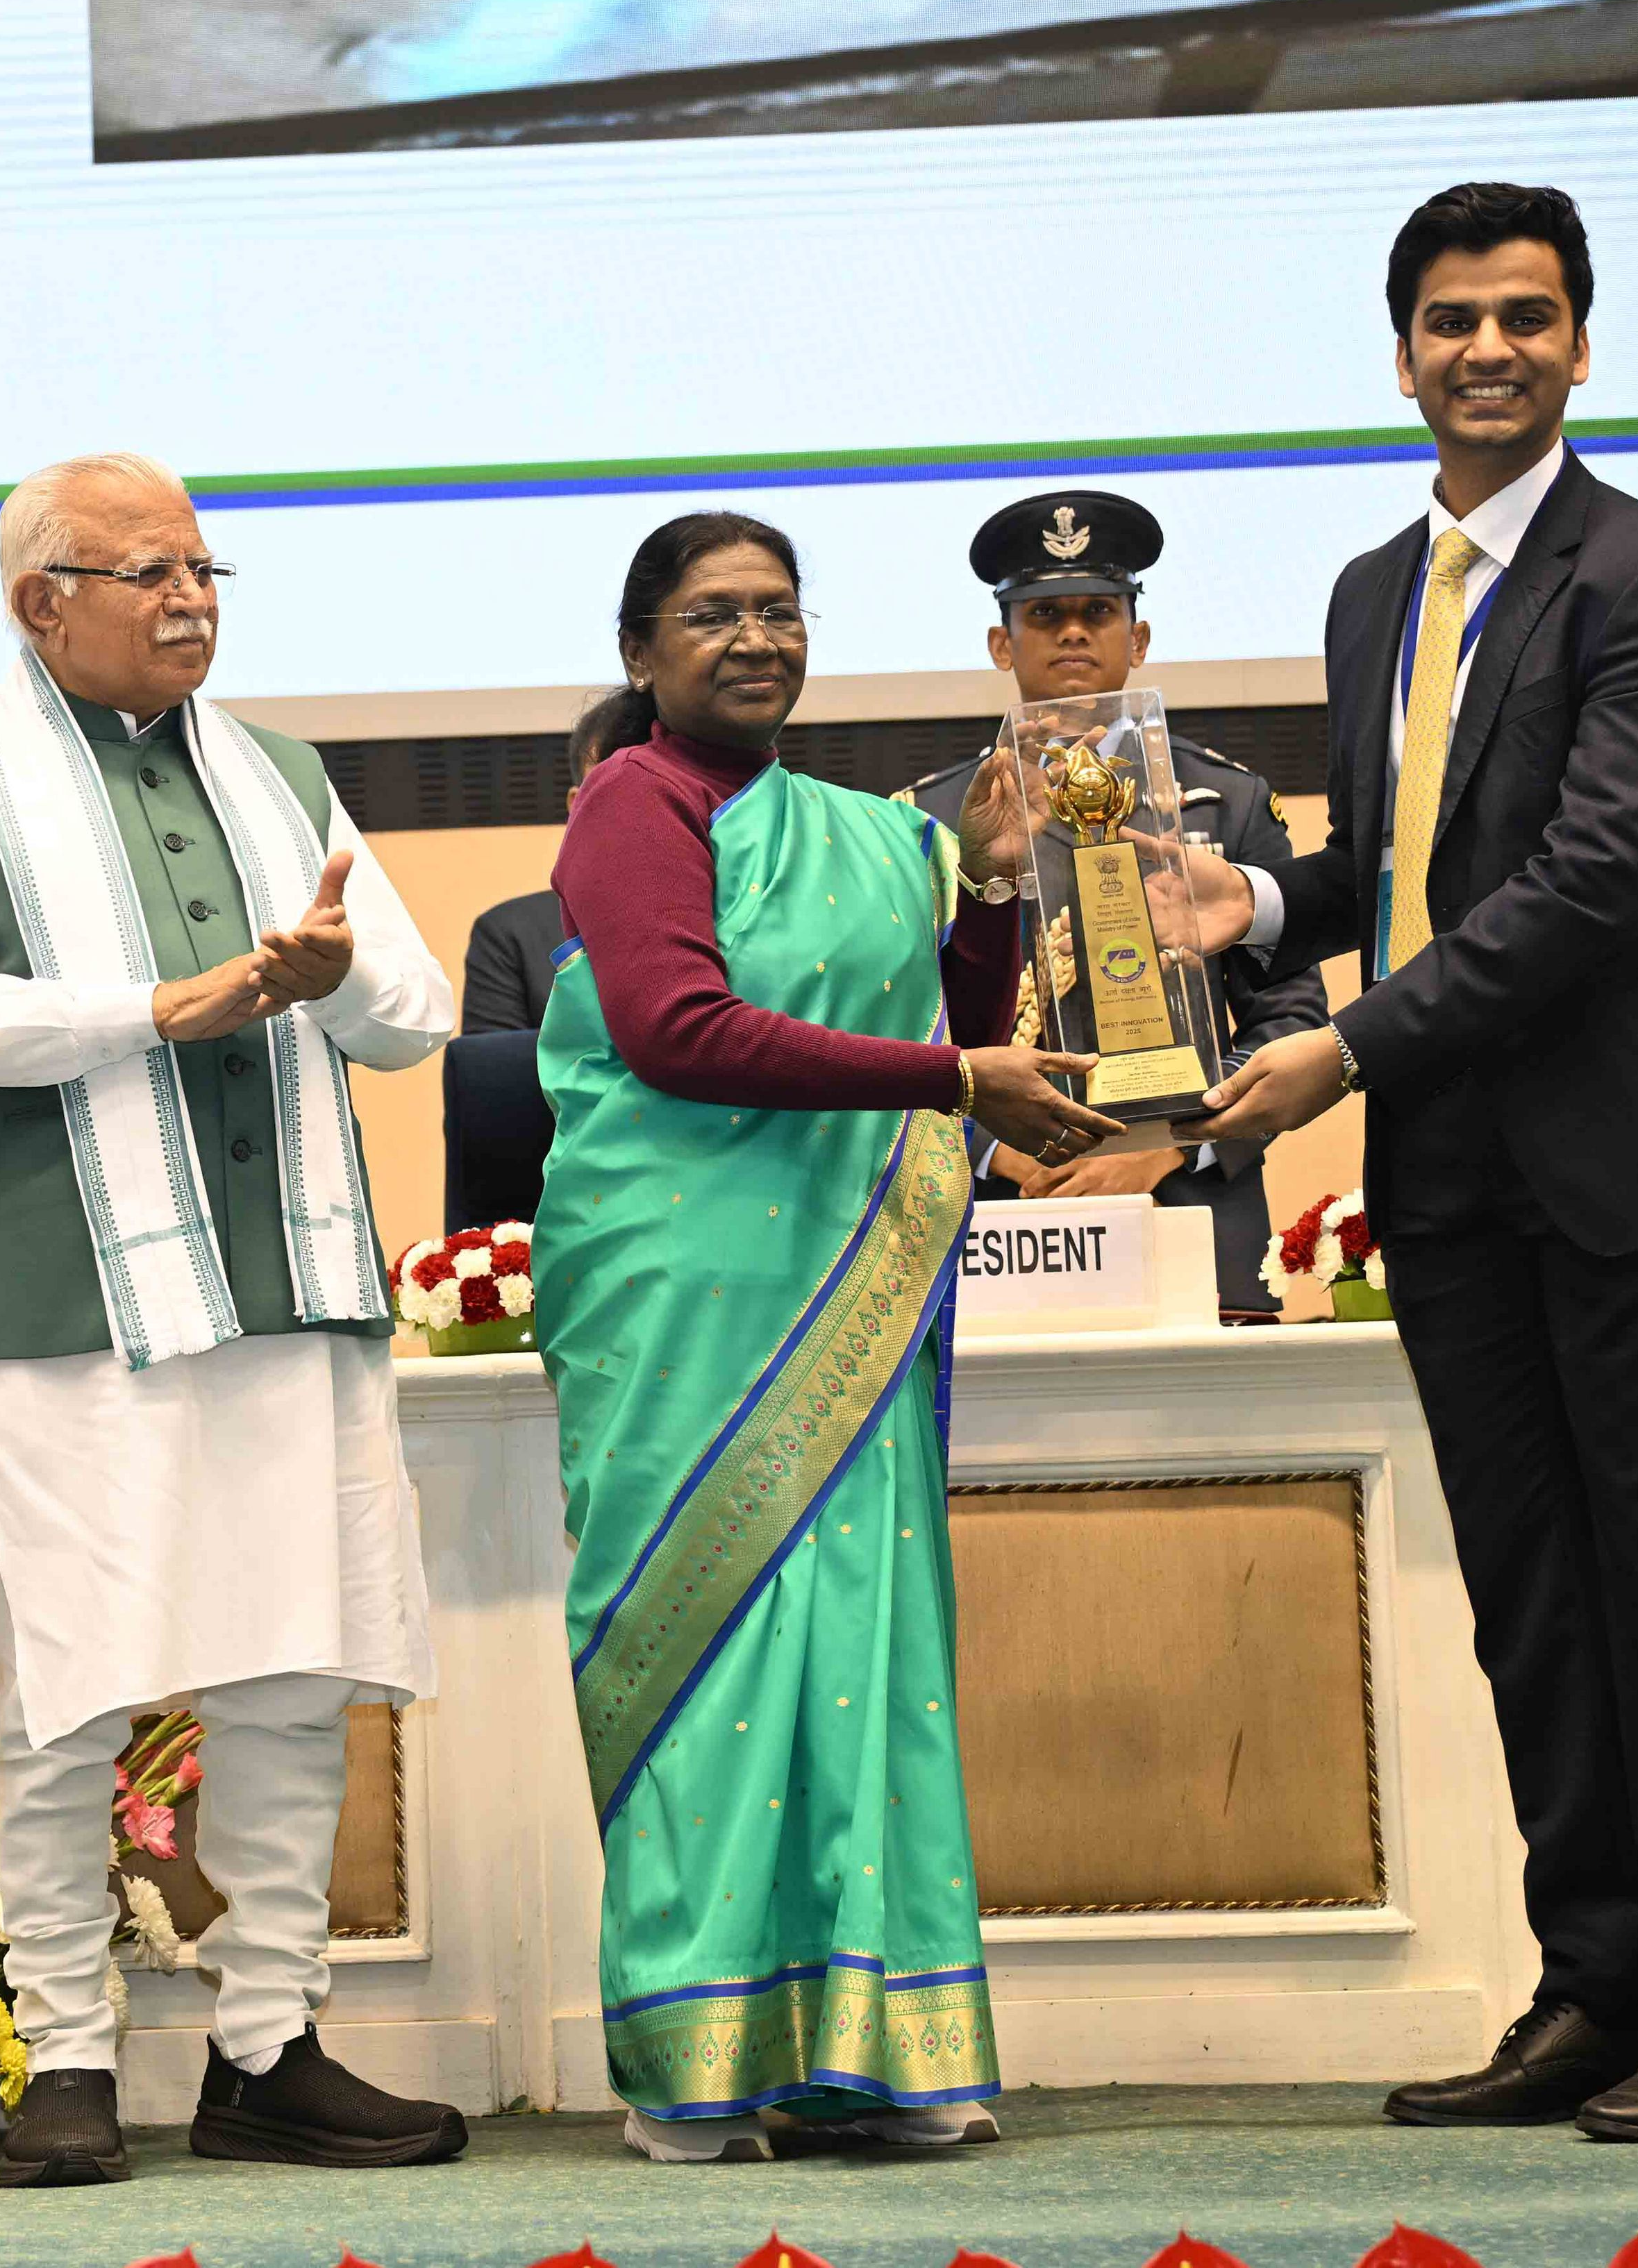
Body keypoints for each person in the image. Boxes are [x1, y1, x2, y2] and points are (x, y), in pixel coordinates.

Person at [1178, 183, 1638, 2141]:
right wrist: (1250, 903)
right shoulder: (1377, 587)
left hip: (1632, 1154)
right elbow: (1404, 863)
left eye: (1524, 316)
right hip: (1453, 1170)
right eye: (1450, 320)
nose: (1487, 350)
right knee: (1530, 1588)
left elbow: (1593, 880)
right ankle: (1596, 1986)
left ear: (1579, 346)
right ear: (1399, 356)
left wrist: (1342, 1046)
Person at [0, 453, 466, 2186]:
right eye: (149, 572)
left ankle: (265, 2043)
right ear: (39, 601)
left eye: (204, 569)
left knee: (290, 1667)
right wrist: (154, 1007)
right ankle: (63, 2048)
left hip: (292, 1282)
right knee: (64, 1688)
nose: (190, 598)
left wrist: (331, 980)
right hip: (73, 1305)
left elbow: (416, 1011)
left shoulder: (284, 773)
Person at [540, 511, 1119, 2165]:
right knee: (709, 1653)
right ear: (641, 649)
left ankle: (873, 2052)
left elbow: (956, 1022)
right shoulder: (633, 803)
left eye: (779, 610)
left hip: (843, 1289)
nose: (755, 638)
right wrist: (954, 1078)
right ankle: (694, 2060)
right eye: (712, 613)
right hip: (684, 1291)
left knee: (865, 1646)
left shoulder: (875, 834)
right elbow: (677, 1030)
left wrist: (990, 888)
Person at [901, 491, 1329, 1318]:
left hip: (1190, 1205)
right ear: (1000, 642)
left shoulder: (1226, 802)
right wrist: (995, 1148)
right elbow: (898, 1029)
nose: (1072, 632)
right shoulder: (928, 818)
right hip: (999, 1216)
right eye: (1044, 613)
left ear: (1137, 638)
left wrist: (1170, 1147)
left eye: (1097, 611)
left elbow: (1289, 1017)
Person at [462, 703, 647, 1034]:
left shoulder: (740, 918)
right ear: (578, 805)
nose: (647, 807)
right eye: (619, 785)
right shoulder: (511, 935)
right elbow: (494, 1063)